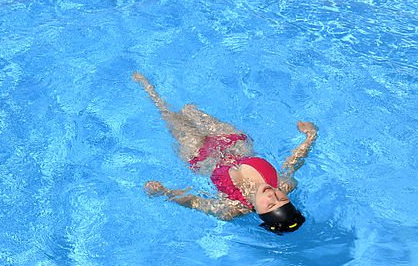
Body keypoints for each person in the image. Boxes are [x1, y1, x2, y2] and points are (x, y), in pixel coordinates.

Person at [134, 72, 317, 234]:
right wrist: (310, 136)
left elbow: (194, 202)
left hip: (200, 156)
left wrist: (164, 192)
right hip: (232, 140)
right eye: (281, 198)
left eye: (270, 204)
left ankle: (148, 88)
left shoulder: (231, 209)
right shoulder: (284, 185)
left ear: (260, 213)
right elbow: (294, 162)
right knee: (189, 109)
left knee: (170, 116)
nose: (272, 195)